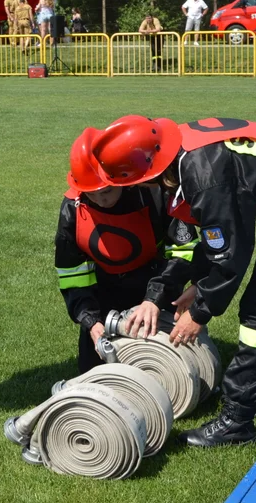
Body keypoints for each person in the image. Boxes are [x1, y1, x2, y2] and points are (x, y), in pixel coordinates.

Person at [97, 115, 256, 447]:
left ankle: (237, 420)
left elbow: (230, 254)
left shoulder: (203, 175)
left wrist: (200, 311)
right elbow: (220, 233)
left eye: (136, 183)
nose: (139, 190)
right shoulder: (183, 150)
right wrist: (199, 286)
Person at [57, 123, 197, 373]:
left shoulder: (151, 192)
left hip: (156, 281)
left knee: (165, 369)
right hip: (105, 291)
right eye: (92, 194)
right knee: (93, 371)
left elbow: (184, 250)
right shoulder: (72, 209)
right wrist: (91, 321)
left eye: (107, 191)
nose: (102, 200)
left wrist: (155, 299)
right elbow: (72, 275)